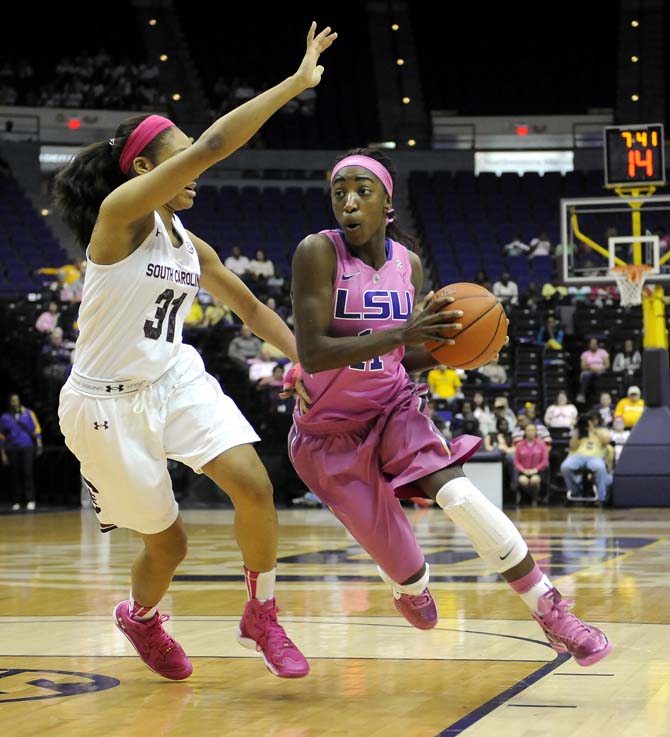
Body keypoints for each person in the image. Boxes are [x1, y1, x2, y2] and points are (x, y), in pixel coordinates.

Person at [51, 22, 337, 682]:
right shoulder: (121, 216)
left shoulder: (191, 245)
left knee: (255, 485)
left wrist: (312, 363)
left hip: (174, 377)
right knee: (169, 544)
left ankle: (260, 612)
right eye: (182, 158)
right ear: (148, 169)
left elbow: (254, 310)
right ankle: (142, 617)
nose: (198, 171)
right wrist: (295, 84)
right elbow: (214, 143)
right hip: (104, 406)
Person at [285, 147, 611, 667]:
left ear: (387, 202)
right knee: (408, 569)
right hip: (327, 435)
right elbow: (314, 351)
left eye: (362, 191)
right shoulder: (316, 252)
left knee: (458, 493)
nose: (348, 202)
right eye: (339, 191)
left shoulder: (407, 264)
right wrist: (405, 333)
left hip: (392, 407)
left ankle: (554, 614)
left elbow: (401, 354)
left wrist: (455, 352)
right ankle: (407, 585)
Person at [0, 393, 42, 511]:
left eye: (16, 400)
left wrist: (39, 444)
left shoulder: (28, 413)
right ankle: (17, 500)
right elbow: (1, 436)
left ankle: (30, 499)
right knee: (15, 475)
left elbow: (36, 429)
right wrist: (2, 453)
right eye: (12, 400)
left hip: (27, 447)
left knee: (28, 473)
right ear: (9, 402)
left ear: (19, 401)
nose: (14, 402)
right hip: (13, 448)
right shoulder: (5, 417)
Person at [560, 412, 614, 503]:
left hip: (595, 457)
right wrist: (577, 429)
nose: (592, 422)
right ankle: (574, 490)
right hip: (578, 455)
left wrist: (592, 429)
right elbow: (572, 447)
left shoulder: (603, 430)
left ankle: (602, 497)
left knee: (600, 467)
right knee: (565, 467)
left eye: (593, 420)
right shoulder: (580, 432)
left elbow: (606, 441)